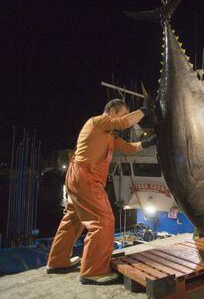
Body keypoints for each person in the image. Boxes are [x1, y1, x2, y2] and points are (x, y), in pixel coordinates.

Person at [46, 98, 156, 285]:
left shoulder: (109, 134)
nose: (124, 121)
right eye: (122, 114)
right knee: (103, 221)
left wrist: (149, 142)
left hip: (77, 178)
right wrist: (145, 110)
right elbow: (125, 122)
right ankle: (93, 271)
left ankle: (58, 261)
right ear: (112, 111)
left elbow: (129, 149)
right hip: (86, 178)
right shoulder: (98, 121)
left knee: (73, 219)